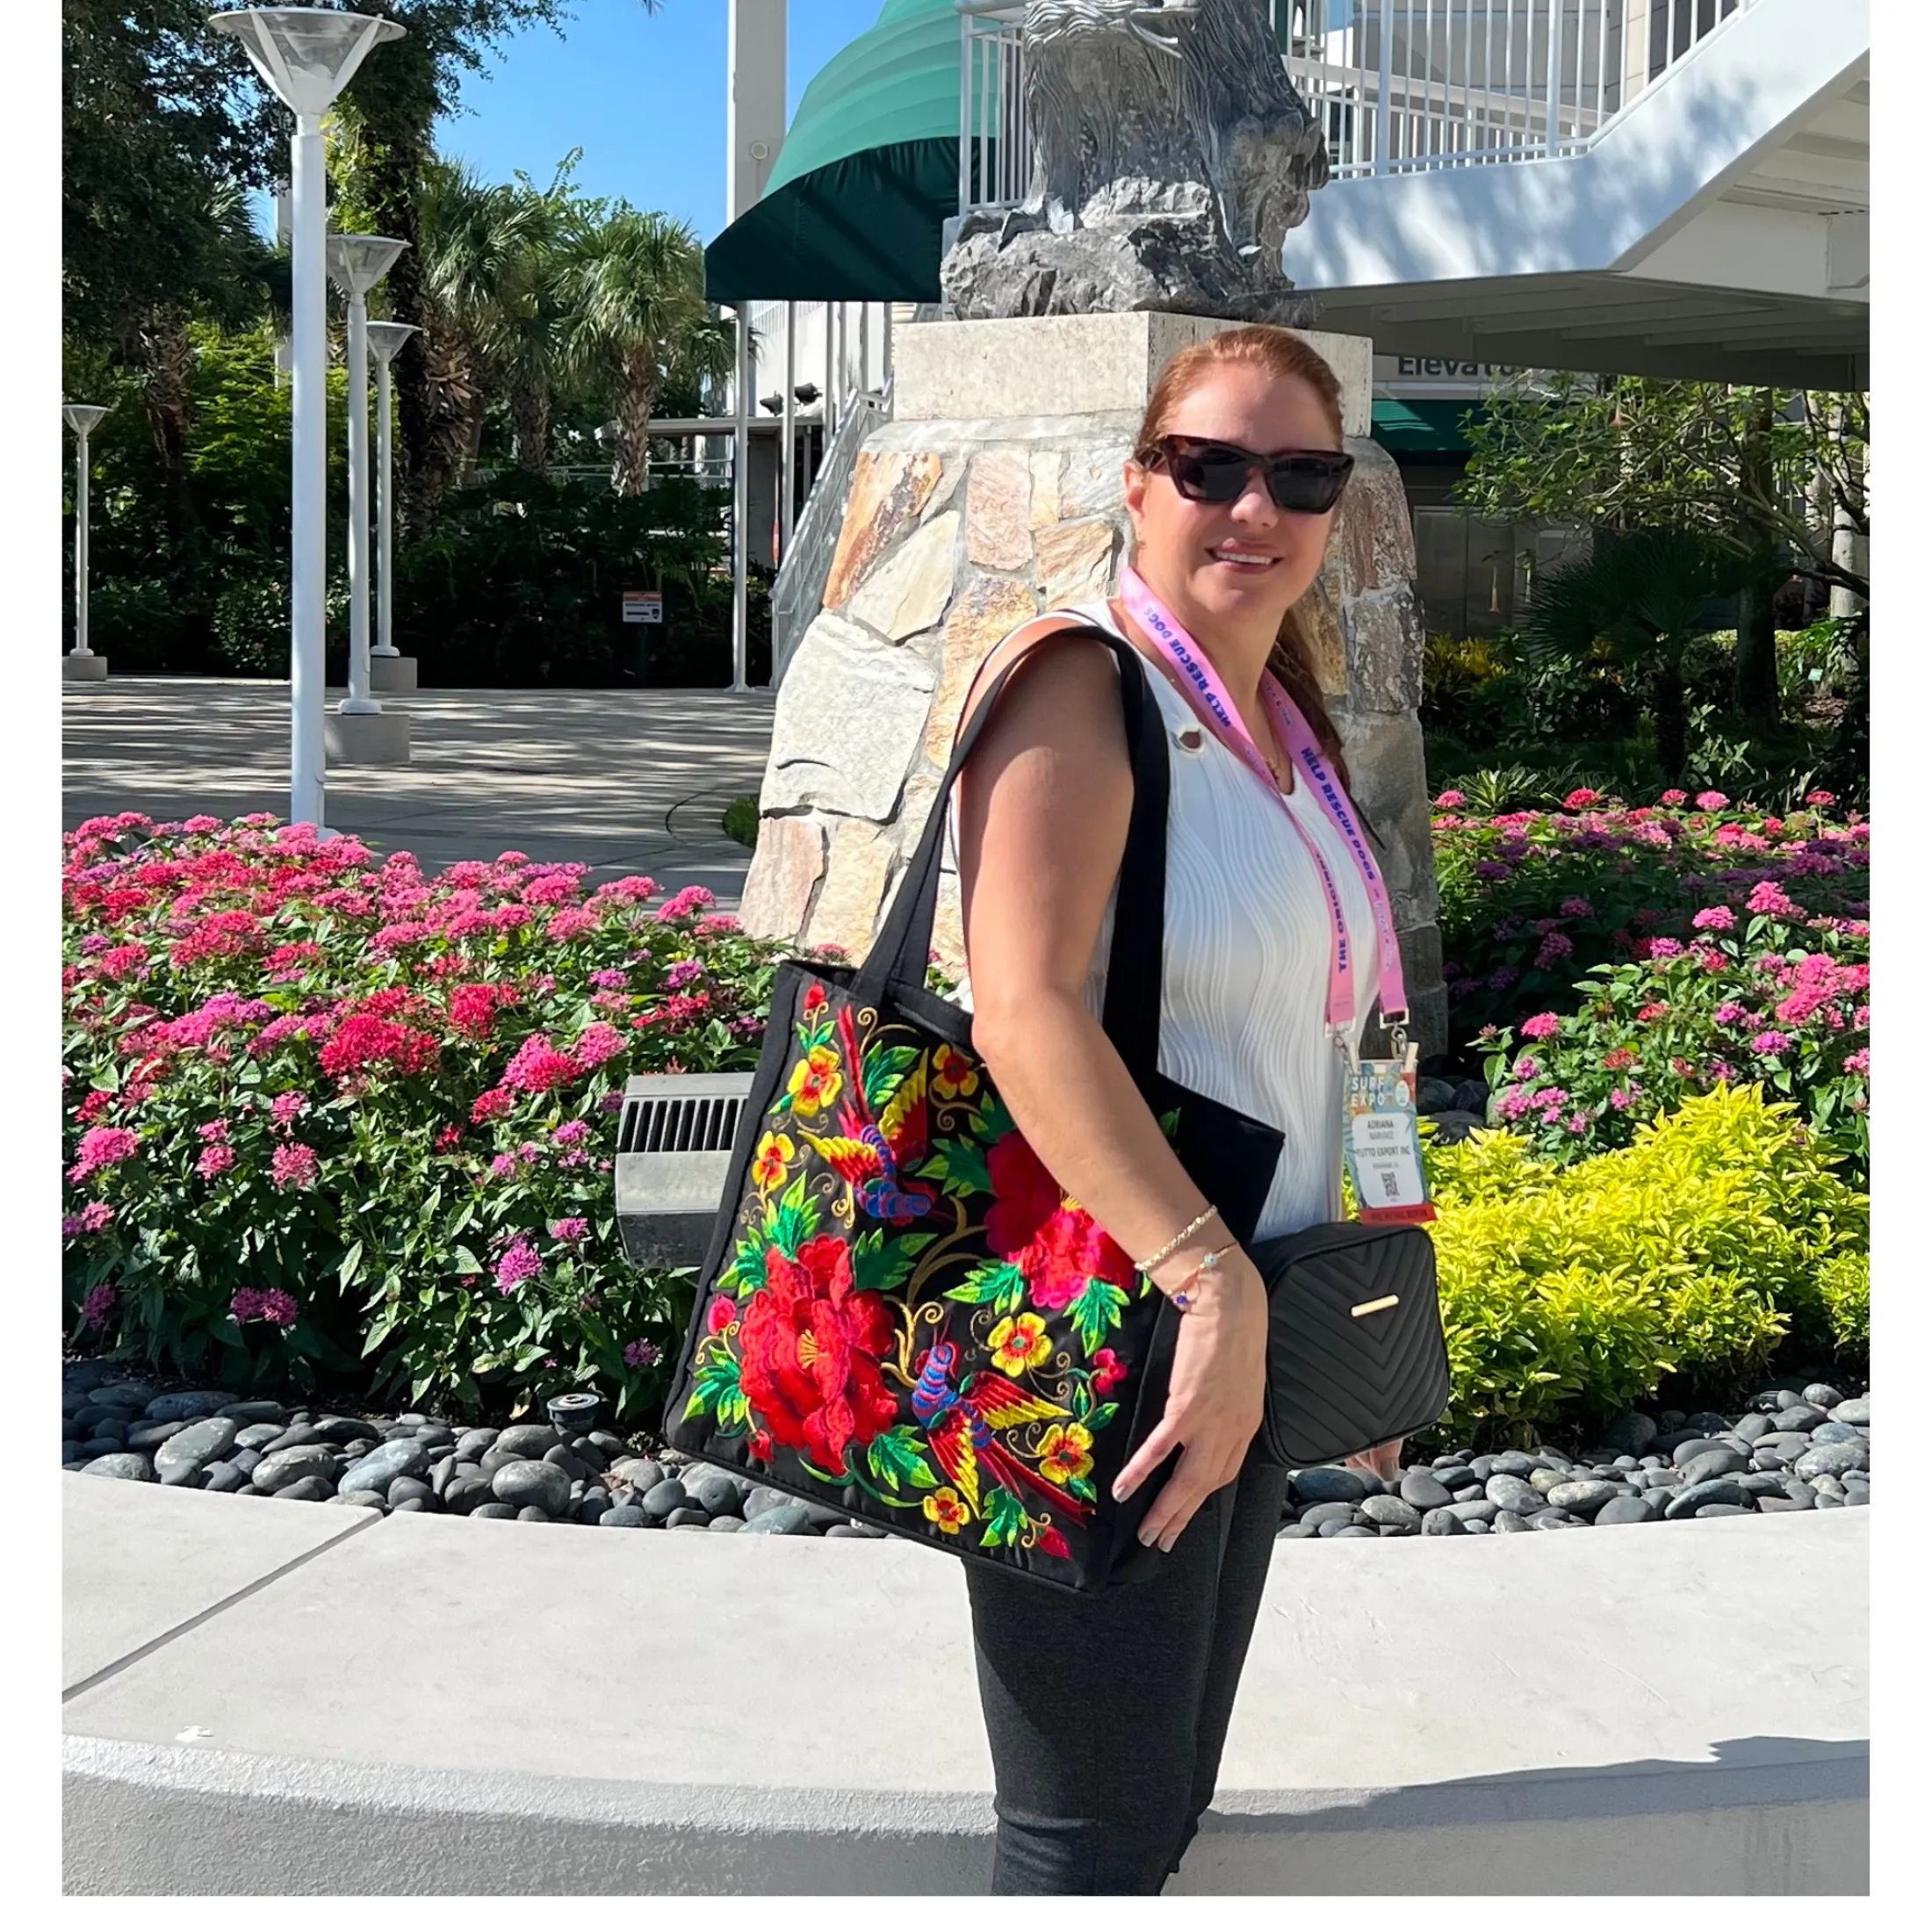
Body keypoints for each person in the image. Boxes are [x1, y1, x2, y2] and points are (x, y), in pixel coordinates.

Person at [944, 324, 1401, 1895]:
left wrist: (1371, 1297)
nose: (1251, 507)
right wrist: (1204, 1282)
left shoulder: (1292, 729)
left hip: (1250, 1320)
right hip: (1121, 1312)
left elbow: (1345, 1023)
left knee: (1164, 1802)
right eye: (1209, 465)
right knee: (1087, 1841)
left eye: (1300, 474)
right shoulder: (1085, 683)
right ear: (1138, 483)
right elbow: (1026, 1009)